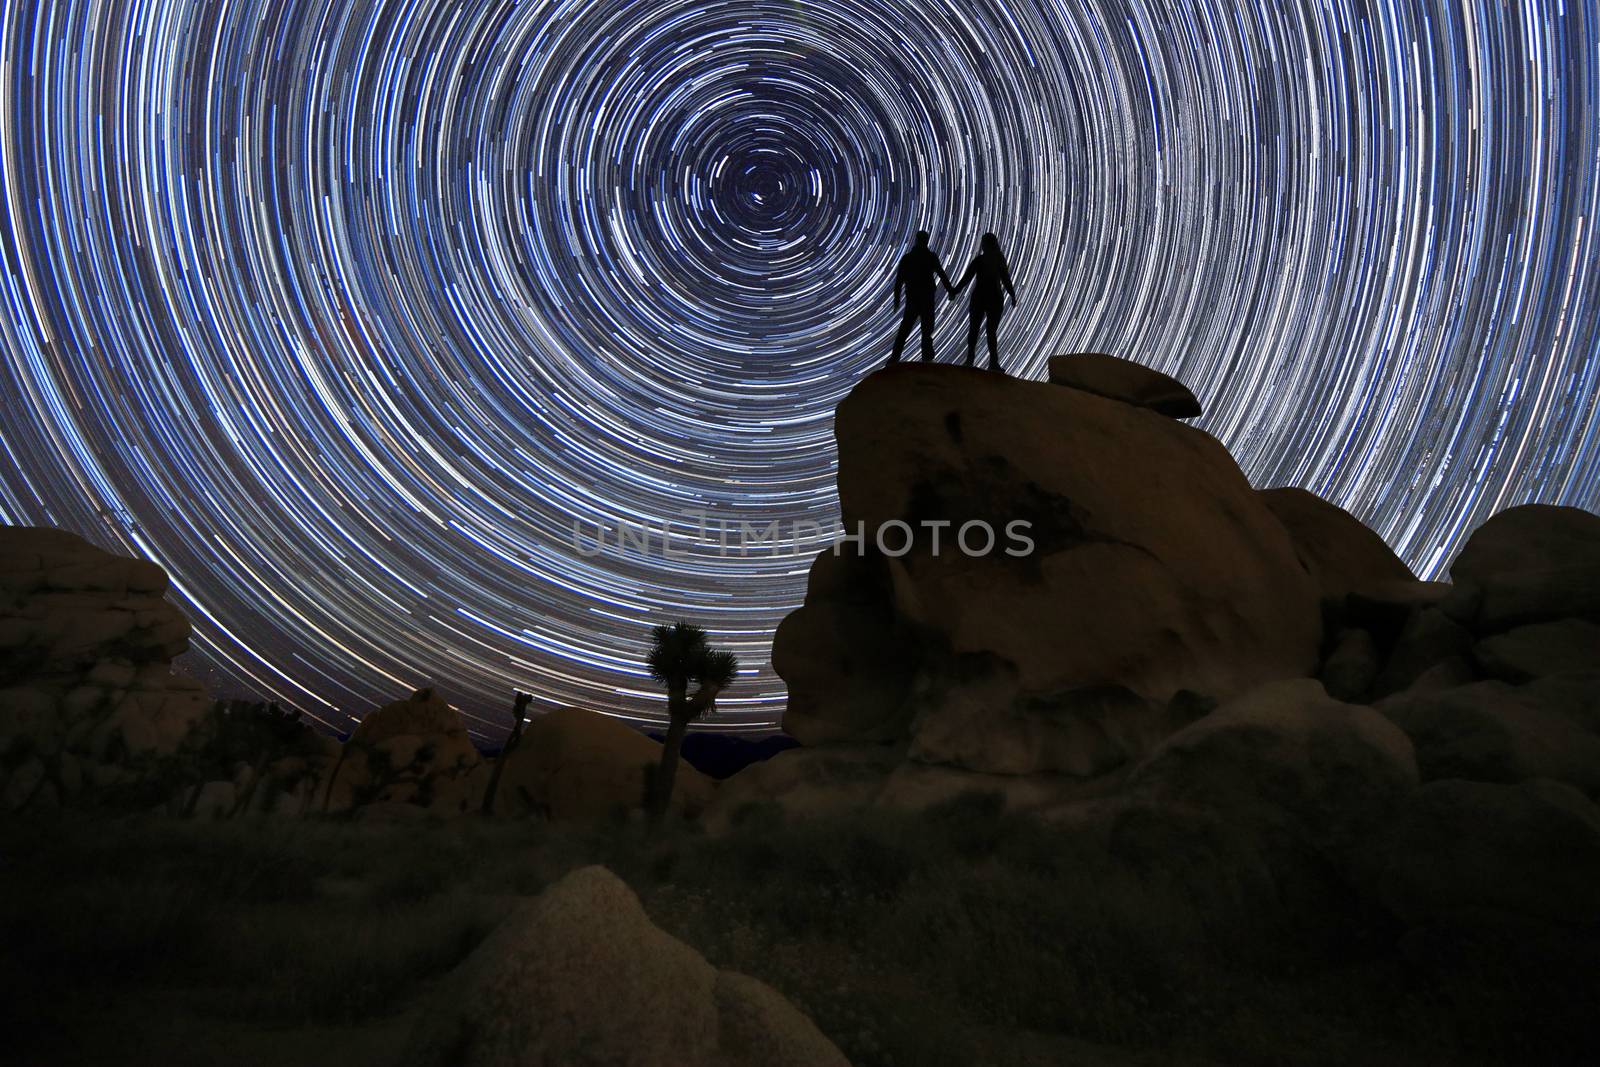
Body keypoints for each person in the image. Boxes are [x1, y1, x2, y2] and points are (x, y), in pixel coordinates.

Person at [950, 232, 1018, 372]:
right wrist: (1012, 294)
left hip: (981, 297)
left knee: (975, 329)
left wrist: (954, 291)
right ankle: (992, 363)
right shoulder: (998, 259)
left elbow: (966, 278)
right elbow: (1005, 278)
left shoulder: (980, 260)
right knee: (990, 331)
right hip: (994, 297)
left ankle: (971, 360)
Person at [889, 231, 955, 365]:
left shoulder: (908, 258)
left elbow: (899, 282)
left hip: (914, 298)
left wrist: (896, 301)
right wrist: (950, 290)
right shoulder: (930, 256)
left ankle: (895, 358)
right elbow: (941, 274)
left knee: (907, 329)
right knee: (926, 329)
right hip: (926, 297)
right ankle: (926, 358)